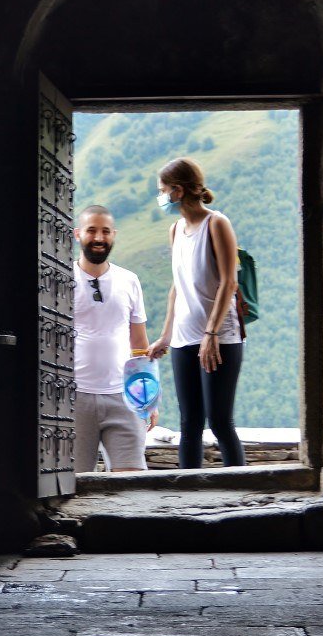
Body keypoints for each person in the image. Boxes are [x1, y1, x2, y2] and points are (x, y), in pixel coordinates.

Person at [148, 158, 246, 470]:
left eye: (162, 190)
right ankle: (187, 488)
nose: (161, 197)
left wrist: (211, 333)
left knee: (219, 420)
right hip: (183, 338)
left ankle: (239, 488)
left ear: (178, 191)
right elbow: (177, 287)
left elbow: (229, 282)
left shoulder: (216, 224)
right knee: (189, 422)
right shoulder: (175, 230)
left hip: (219, 338)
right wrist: (166, 336)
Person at [73, 204, 155, 473]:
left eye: (105, 231)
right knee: (73, 484)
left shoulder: (129, 280)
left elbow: (139, 344)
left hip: (124, 398)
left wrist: (148, 398)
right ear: (77, 234)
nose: (99, 237)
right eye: (91, 230)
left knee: (133, 484)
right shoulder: (61, 280)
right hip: (74, 399)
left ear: (114, 235)